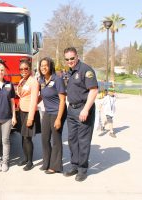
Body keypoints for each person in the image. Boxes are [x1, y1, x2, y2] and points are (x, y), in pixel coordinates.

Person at [63, 47, 98, 182]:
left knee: (83, 141)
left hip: (83, 109)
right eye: (67, 59)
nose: (70, 61)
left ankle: (82, 170)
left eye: (72, 58)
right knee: (72, 140)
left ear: (77, 56)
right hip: (71, 109)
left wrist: (86, 109)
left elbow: (94, 90)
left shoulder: (86, 70)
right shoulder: (70, 72)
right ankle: (74, 165)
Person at [38, 57, 67, 174]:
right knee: (44, 139)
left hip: (57, 112)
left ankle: (55, 166)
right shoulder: (41, 80)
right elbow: (42, 95)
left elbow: (62, 100)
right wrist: (32, 103)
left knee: (56, 140)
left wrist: (59, 119)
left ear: (50, 66)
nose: (43, 67)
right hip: (47, 112)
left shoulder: (57, 79)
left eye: (46, 65)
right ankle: (46, 162)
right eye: (41, 65)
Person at [16, 59, 39, 171]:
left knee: (27, 138)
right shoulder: (22, 81)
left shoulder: (33, 81)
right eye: (21, 69)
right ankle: (25, 158)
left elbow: (34, 100)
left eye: (26, 68)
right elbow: (21, 95)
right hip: (21, 111)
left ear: (30, 69)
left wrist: (31, 117)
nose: (23, 71)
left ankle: (30, 162)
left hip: (29, 112)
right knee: (22, 136)